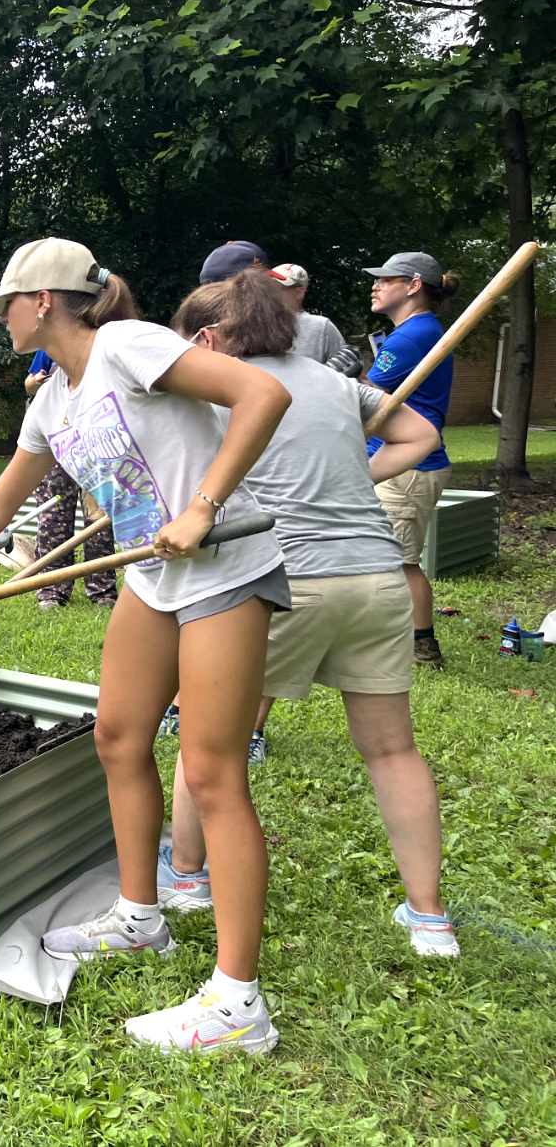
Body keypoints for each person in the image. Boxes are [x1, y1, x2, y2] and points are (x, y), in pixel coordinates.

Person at [0, 237, 291, 1054]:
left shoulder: (126, 345)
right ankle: (140, 917)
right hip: (153, 578)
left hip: (223, 566)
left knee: (211, 772)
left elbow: (262, 394)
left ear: (43, 301)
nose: (0, 317)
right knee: (117, 737)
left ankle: (239, 1004)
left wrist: (203, 505)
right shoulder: (50, 402)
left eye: (6, 303)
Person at [162, 273, 457, 956]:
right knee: (393, 749)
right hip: (376, 578)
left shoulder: (217, 390)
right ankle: (430, 919)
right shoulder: (337, 382)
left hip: (281, 578)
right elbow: (421, 434)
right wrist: (353, 479)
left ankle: (185, 876)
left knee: (209, 740)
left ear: (209, 339)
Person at [363, 252, 458, 668]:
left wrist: (347, 377)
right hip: (396, 460)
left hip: (409, 466)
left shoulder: (411, 337)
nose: (376, 285)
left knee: (400, 563)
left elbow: (365, 396)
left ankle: (423, 647)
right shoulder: (415, 331)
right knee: (384, 557)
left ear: (414, 285)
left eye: (386, 279)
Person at [24, 351, 117, 609]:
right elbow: (29, 385)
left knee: (99, 520)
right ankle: (52, 591)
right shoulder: (48, 349)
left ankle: (103, 591)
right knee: (54, 519)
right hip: (57, 442)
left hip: (97, 442)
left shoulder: (103, 345)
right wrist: (39, 382)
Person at [267, 263, 350, 365]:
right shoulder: (255, 324)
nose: (269, 292)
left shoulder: (321, 328)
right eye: (267, 286)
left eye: (276, 288)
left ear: (299, 292)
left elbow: (344, 368)